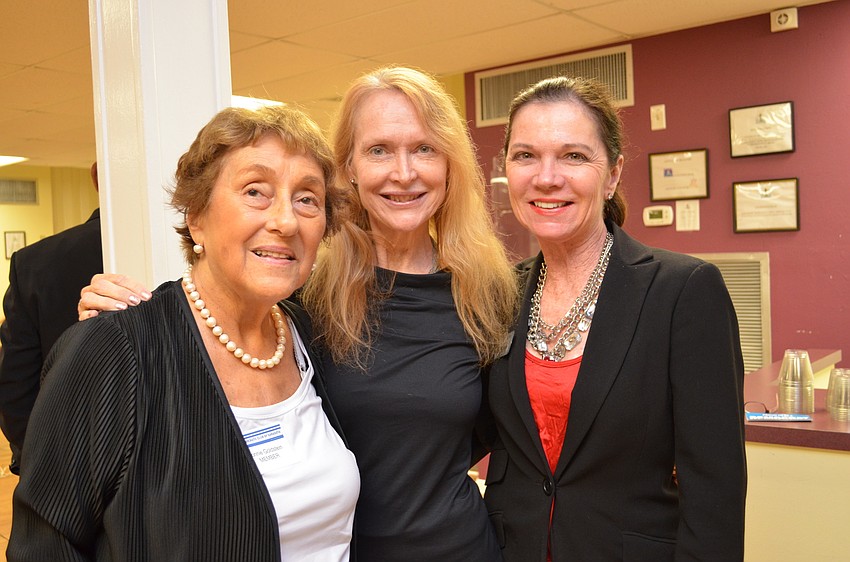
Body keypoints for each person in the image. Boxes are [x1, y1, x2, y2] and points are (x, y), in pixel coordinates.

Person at [78, 66, 518, 561]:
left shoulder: (487, 293)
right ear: (347, 169)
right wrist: (128, 315)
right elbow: (214, 305)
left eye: (424, 149)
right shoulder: (302, 290)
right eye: (378, 150)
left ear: (450, 165)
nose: (403, 172)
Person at [9, 105, 359, 561]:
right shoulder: (115, 350)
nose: (286, 221)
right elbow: (44, 546)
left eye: (307, 199)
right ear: (197, 217)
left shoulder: (309, 335)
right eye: (256, 191)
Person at [482, 76, 746, 561]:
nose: (546, 177)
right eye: (525, 156)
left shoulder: (681, 290)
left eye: (574, 156)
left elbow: (715, 486)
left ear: (614, 174)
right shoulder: (499, 293)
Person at [0, 162, 103, 475]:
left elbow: (15, 386)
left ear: (97, 180)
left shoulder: (36, 262)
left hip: (62, 463)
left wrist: (41, 466)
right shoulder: (194, 252)